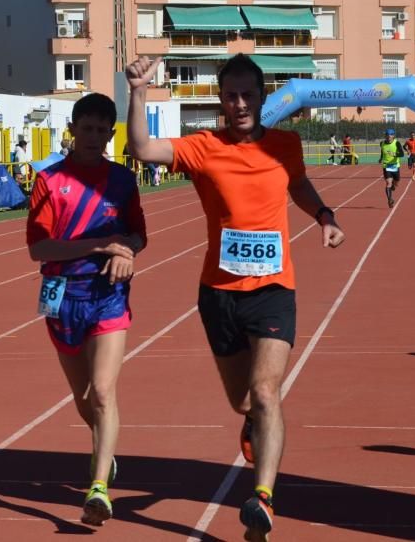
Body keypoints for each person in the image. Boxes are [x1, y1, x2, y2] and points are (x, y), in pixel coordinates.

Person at [126, 53, 345, 542]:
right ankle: (252, 426)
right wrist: (138, 90)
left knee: (267, 393)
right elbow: (140, 147)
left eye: (248, 94)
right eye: (231, 95)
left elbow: (300, 185)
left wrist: (325, 216)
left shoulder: (285, 145)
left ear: (263, 98)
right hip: (219, 295)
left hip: (273, 289)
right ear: (221, 99)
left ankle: (262, 498)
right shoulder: (204, 148)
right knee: (243, 399)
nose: (240, 103)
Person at [27, 92, 146, 527]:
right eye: (88, 128)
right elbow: (38, 247)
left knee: (102, 391)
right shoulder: (49, 181)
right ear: (73, 130)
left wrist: (127, 251)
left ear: (111, 133)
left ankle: (98, 488)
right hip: (61, 295)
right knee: (82, 401)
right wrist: (100, 244)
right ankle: (105, 452)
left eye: (103, 130)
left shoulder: (122, 180)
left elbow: (138, 235)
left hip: (108, 294)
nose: (95, 137)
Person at [379, 128, 404, 209]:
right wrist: (381, 158)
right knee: (388, 183)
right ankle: (389, 199)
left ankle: (394, 183)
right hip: (386, 166)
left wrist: (394, 154)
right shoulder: (382, 143)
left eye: (390, 135)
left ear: (393, 136)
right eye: (387, 135)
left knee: (396, 182)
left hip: (395, 166)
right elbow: (382, 151)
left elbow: (402, 154)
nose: (388, 137)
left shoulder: (397, 143)